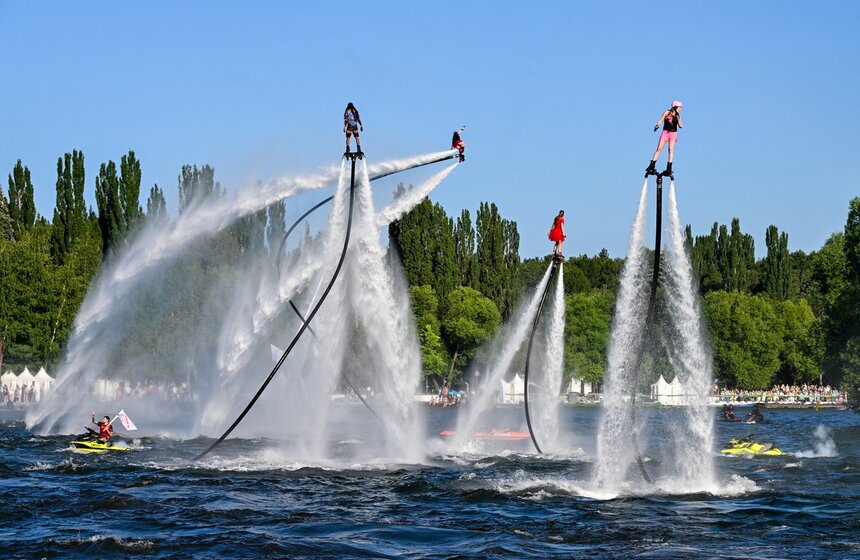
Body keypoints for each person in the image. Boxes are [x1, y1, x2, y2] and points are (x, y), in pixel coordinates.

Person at [644, 100, 683, 178]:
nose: (680, 109)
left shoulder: (678, 115)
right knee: (659, 148)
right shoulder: (667, 112)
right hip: (665, 133)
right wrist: (657, 125)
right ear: (675, 107)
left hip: (673, 133)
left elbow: (680, 125)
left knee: (670, 150)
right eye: (679, 107)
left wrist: (679, 122)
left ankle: (669, 168)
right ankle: (652, 165)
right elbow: (661, 120)